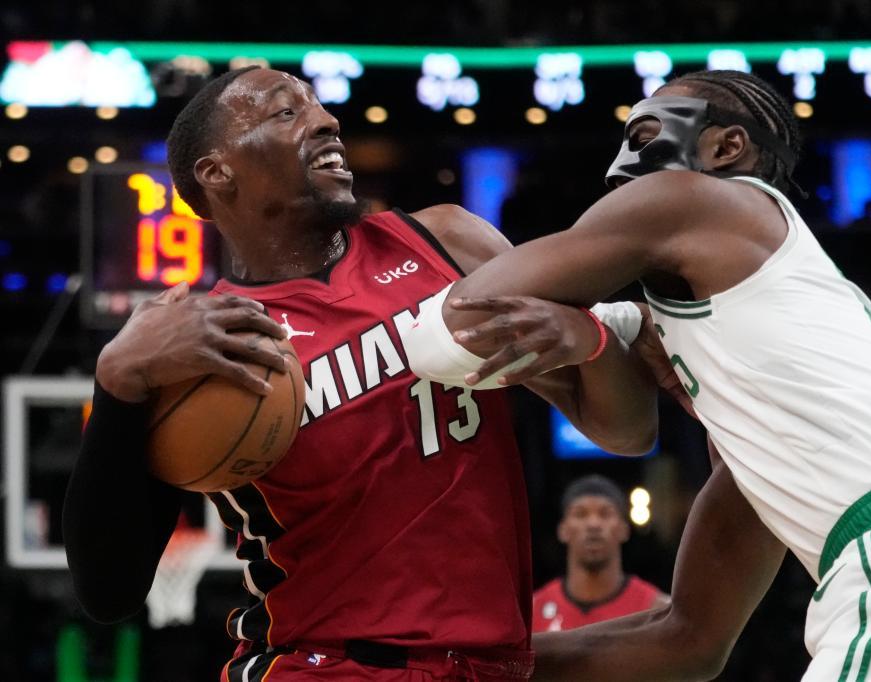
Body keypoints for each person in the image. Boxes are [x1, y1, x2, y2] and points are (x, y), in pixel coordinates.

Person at [407, 69, 871, 680]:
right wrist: (465, 668)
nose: (622, 164)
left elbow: (448, 331)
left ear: (726, 147)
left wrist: (598, 328)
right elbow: (687, 643)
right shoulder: (773, 403)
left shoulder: (691, 198)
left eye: (646, 134)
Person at [62, 66, 662, 682]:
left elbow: (627, 430)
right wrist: (116, 384)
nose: (327, 121)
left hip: (486, 666)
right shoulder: (206, 342)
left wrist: (589, 339)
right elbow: (108, 592)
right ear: (218, 173)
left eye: (319, 106)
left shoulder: (446, 243)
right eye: (286, 112)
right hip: (319, 665)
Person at [532, 475, 667, 633]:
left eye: (605, 514)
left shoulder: (658, 611)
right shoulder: (532, 611)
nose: (593, 524)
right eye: (580, 514)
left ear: (624, 530)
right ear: (563, 530)